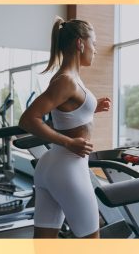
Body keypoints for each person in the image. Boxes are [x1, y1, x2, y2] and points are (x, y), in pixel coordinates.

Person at [19, 16, 111, 239]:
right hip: (68, 168)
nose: (96, 50)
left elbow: (67, 114)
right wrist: (69, 142)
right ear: (80, 43)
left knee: (44, 243)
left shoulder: (71, 78)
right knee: (90, 244)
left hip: (53, 167)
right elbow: (28, 119)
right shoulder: (67, 80)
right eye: (94, 43)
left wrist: (91, 108)